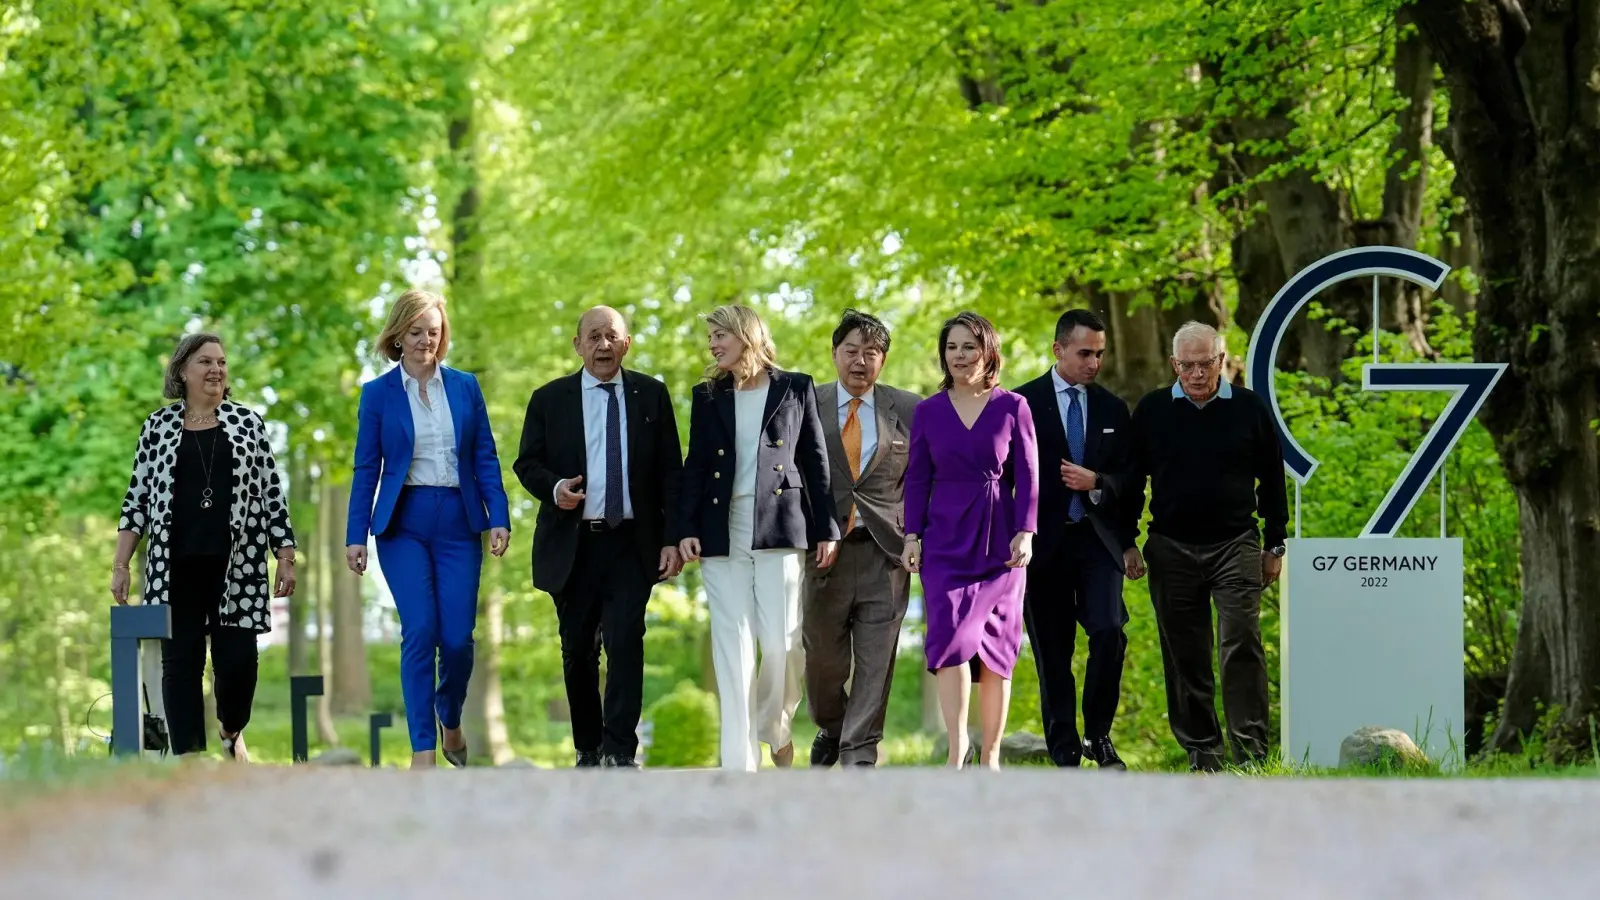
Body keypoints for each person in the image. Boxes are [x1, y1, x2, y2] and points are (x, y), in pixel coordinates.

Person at [111, 332, 298, 763]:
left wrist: (285, 556)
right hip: (174, 566)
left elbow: (272, 493)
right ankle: (189, 762)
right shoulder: (157, 428)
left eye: (221, 362)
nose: (216, 370)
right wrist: (121, 563)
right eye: (205, 362)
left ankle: (231, 728)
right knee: (180, 667)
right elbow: (136, 498)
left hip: (238, 567)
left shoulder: (248, 424)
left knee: (237, 666)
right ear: (182, 371)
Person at [345, 289, 511, 770]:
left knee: (457, 638)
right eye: (415, 332)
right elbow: (366, 468)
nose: (425, 341)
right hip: (403, 525)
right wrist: (356, 535)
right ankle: (422, 751)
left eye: (433, 333)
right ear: (398, 336)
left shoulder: (464, 387)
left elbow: (485, 457)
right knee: (420, 630)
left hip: (460, 522)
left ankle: (449, 716)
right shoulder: (378, 394)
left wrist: (497, 515)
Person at [512, 306, 684, 769]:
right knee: (577, 648)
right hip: (573, 544)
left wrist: (673, 538)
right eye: (593, 336)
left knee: (627, 639)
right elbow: (526, 463)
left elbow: (671, 471)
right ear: (578, 345)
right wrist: (555, 489)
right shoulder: (549, 399)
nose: (603, 345)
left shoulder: (651, 395)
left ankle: (620, 750)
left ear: (626, 344)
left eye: (612, 336)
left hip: (632, 542)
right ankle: (588, 746)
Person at [678, 304, 840, 772]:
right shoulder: (707, 395)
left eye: (718, 336)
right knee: (733, 646)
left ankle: (776, 728)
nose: (712, 345)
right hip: (720, 528)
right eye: (710, 338)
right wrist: (686, 528)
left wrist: (826, 527)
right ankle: (739, 765)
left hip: (779, 528)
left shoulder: (795, 387)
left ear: (745, 335)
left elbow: (814, 460)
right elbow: (695, 465)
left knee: (783, 642)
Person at [1123, 320, 1288, 772]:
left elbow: (1273, 479)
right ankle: (1203, 751)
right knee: (1185, 653)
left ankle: (1251, 751)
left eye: (1206, 363)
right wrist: (1127, 541)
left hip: (1235, 544)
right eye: (1188, 365)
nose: (1197, 374)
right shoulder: (1153, 410)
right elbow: (1134, 482)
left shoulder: (1249, 409)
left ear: (1222, 360)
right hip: (1170, 546)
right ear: (1174, 364)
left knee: (1241, 643)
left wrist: (1275, 543)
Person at [902, 311, 1038, 770]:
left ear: (988, 351)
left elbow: (1030, 478)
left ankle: (992, 755)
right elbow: (917, 478)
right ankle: (958, 747)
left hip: (1001, 544)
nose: (959, 356)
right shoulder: (927, 411)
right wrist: (912, 536)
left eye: (969, 347)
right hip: (943, 541)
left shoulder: (1013, 406)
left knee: (999, 648)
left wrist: (1026, 531)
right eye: (952, 347)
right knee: (949, 640)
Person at [1015, 309, 1142, 770]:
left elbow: (1130, 479)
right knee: (1054, 653)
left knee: (1109, 631)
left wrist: (1099, 484)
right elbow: (1004, 476)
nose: (1094, 362)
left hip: (1097, 541)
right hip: (1041, 545)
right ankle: (1064, 749)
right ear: (1058, 350)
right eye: (1085, 353)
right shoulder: (1021, 403)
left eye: (1100, 354)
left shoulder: (1112, 407)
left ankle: (1099, 735)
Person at [802, 309, 921, 768]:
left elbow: (923, 477)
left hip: (884, 553)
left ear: (883, 360)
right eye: (850, 351)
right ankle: (833, 727)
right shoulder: (806, 403)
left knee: (876, 663)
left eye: (870, 353)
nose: (860, 361)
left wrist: (914, 532)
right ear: (834, 354)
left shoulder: (908, 409)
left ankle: (859, 756)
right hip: (823, 553)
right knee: (822, 664)